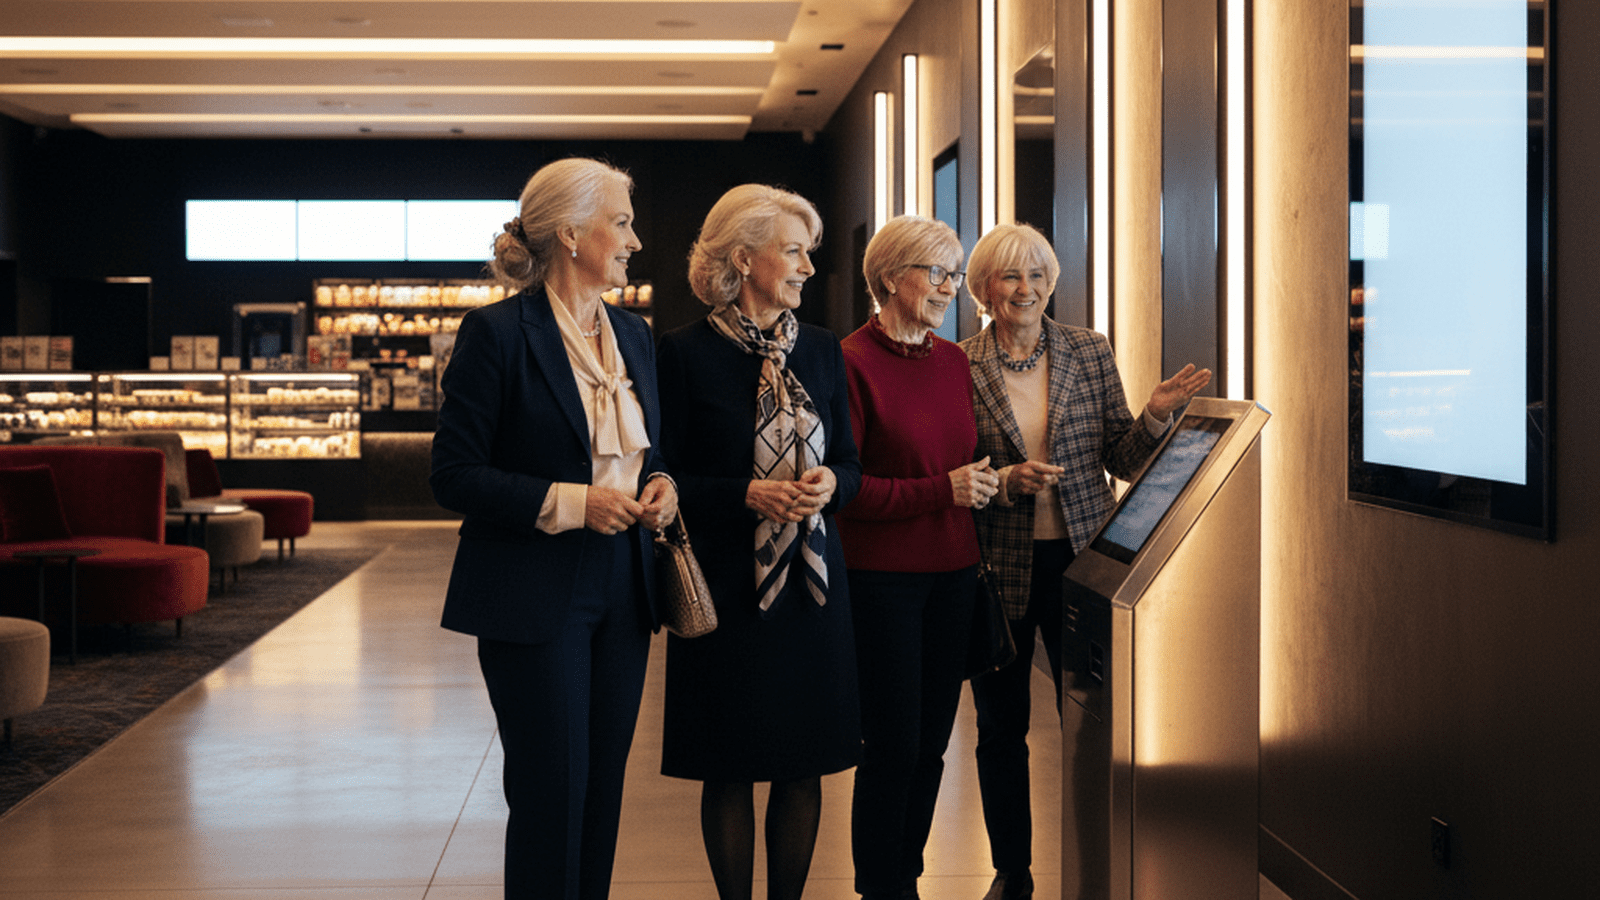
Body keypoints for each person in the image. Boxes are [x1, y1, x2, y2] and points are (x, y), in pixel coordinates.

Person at [430, 157, 677, 900]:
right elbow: (453, 474)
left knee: (601, 792)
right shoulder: (498, 334)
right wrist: (574, 502)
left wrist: (661, 484)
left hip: (625, 588)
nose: (636, 239)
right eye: (623, 223)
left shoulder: (633, 335)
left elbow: (647, 449)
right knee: (550, 794)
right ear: (571, 233)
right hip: (533, 592)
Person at [958, 222, 1211, 900]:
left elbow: (1121, 460)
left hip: (1082, 565)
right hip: (998, 570)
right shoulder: (958, 363)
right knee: (1000, 728)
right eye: (1013, 276)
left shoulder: (1087, 351)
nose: (1028, 288)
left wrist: (1155, 418)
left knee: (1090, 723)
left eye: (1039, 275)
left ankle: (1095, 859)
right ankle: (1013, 870)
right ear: (985, 287)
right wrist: (1005, 480)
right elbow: (953, 472)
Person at [656, 184, 863, 900]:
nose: (808, 266)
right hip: (726, 587)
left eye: (810, 252)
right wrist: (745, 494)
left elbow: (854, 465)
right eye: (795, 251)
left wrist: (832, 485)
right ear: (743, 259)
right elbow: (665, 476)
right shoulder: (679, 355)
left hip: (812, 589)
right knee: (729, 764)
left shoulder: (827, 352)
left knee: (804, 765)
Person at [837, 214, 1000, 900]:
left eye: (953, 274)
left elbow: (956, 460)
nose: (948, 288)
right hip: (881, 581)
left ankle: (906, 872)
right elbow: (845, 490)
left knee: (933, 744)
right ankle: (882, 885)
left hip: (955, 574)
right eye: (935, 272)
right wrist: (946, 489)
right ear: (888, 278)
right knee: (892, 746)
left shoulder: (955, 360)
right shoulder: (847, 361)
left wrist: (988, 483)